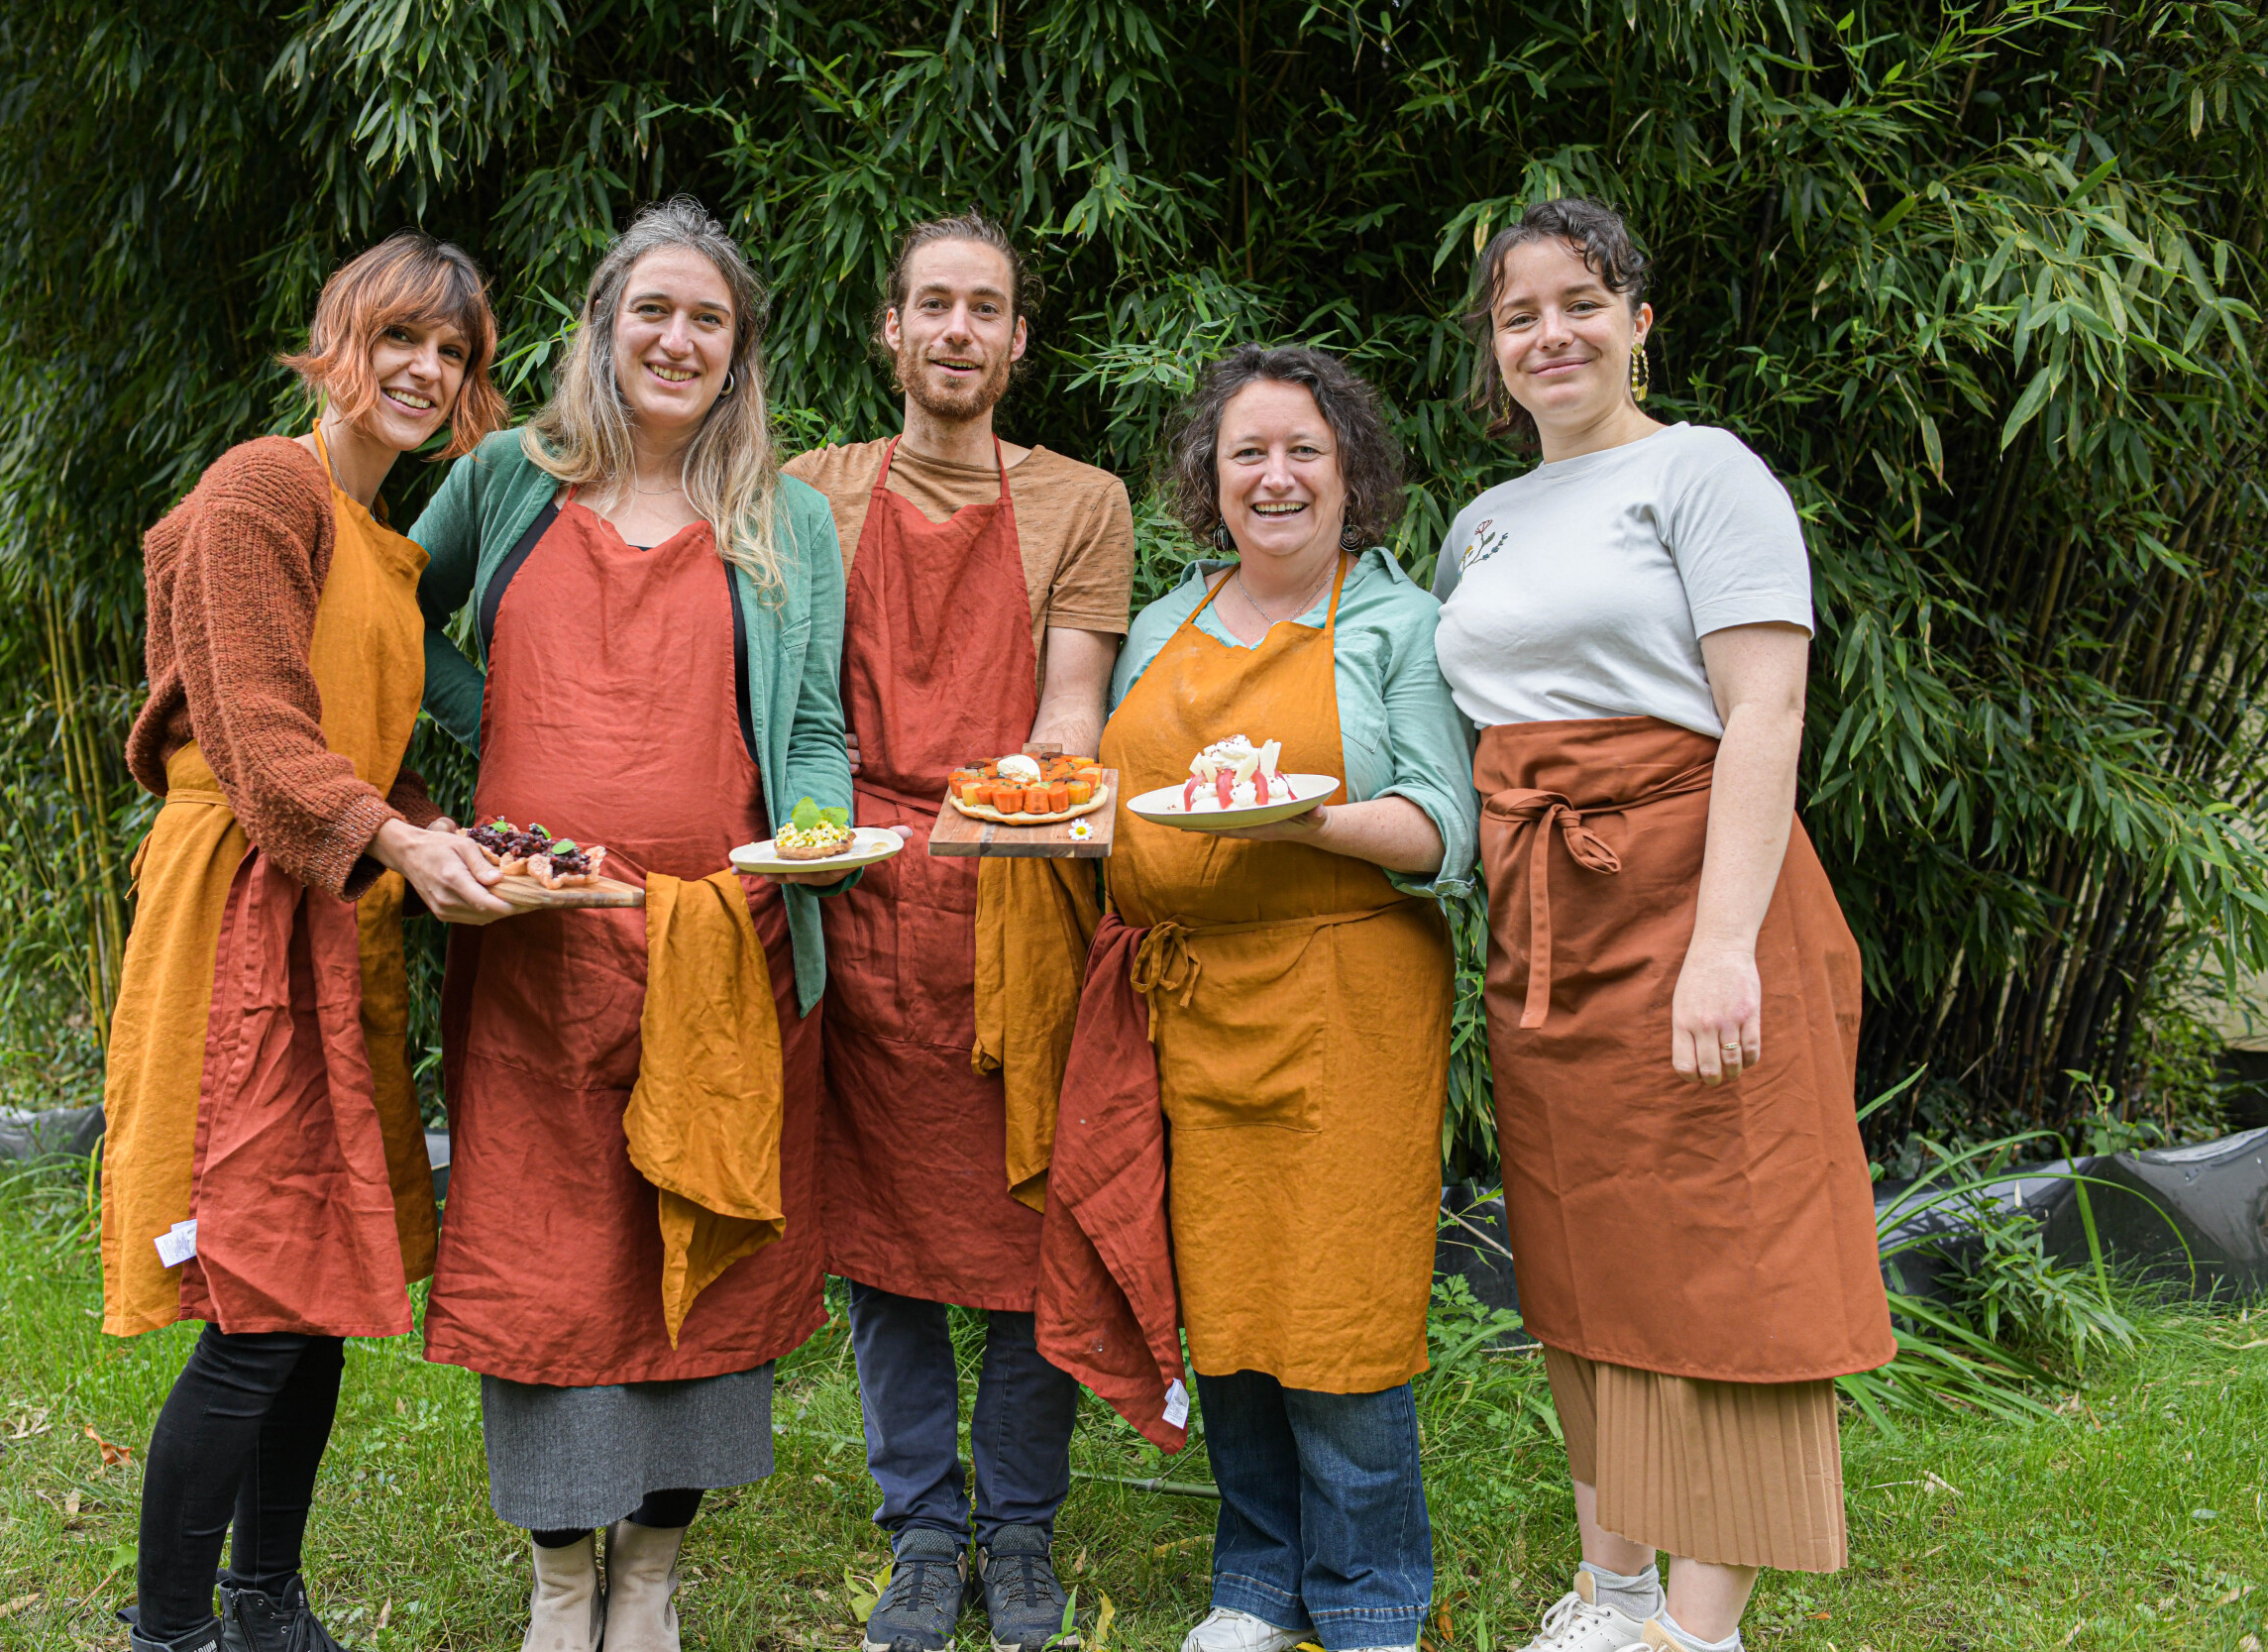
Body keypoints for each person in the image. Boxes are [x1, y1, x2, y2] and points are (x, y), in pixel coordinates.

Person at [1431, 197, 1893, 1652]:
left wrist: (1719, 945)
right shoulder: (1482, 524)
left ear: (1639, 319)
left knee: (1730, 1252)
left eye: (1581, 301)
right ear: (1492, 350)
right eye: (1519, 315)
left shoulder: (1704, 472)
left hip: (1700, 895)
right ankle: (1610, 1590)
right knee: (1582, 1250)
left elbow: (1767, 707)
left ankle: (1698, 1633)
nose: (1550, 333)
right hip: (1546, 923)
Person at [408, 198, 852, 1652]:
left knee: (699, 1246)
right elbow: (390, 624)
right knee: (545, 1261)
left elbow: (812, 727)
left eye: (706, 320)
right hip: (537, 948)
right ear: (602, 325)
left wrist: (820, 840)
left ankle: (650, 1576)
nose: (676, 338)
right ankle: (556, 1581)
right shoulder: (505, 480)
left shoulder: (782, 516)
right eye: (651, 310)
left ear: (738, 354)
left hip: (722, 943)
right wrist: (480, 765)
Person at [102, 231, 512, 1652]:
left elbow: (364, 753)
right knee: (264, 1295)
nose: (424, 371)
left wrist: (440, 830)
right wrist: (393, 839)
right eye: (400, 338)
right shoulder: (261, 487)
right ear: (338, 343)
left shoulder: (388, 551)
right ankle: (169, 1635)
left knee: (325, 1283)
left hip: (332, 910)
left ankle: (264, 1605)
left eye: (453, 354)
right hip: (240, 916)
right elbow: (264, 735)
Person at [782, 211, 1135, 1652]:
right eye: (932, 304)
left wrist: (1003, 815)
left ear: (1016, 341)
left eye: (983, 308)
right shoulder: (809, 493)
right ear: (890, 328)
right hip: (857, 895)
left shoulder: (1082, 501)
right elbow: (792, 709)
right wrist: (844, 844)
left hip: (1019, 884)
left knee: (1032, 1223)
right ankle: (923, 1529)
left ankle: (1024, 1529)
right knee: (881, 1240)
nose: (956, 331)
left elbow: (1069, 715)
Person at [1090, 344, 1478, 1652]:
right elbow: (1118, 802)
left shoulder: (1395, 623)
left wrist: (1309, 818)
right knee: (1234, 1302)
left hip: (1348, 995)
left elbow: (1443, 833)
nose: (1275, 475)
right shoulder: (1160, 623)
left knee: (1342, 1304)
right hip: (1191, 1004)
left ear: (1349, 473)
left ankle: (1368, 1593)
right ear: (1209, 475)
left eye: (1303, 450)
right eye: (1247, 450)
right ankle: (1258, 1580)